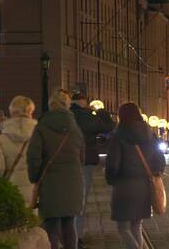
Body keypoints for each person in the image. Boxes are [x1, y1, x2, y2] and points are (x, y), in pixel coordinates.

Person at [27, 89, 85, 249]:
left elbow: (34, 157)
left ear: (50, 105)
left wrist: (35, 178)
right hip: (74, 182)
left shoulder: (42, 127)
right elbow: (81, 156)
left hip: (50, 182)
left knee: (51, 225)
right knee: (69, 223)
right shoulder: (75, 128)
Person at [105, 102, 165, 249]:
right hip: (144, 186)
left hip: (124, 187)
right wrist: (155, 173)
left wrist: (111, 179)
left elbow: (113, 165)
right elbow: (160, 160)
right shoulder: (149, 134)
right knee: (136, 226)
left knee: (123, 228)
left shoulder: (118, 136)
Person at [70, 92, 115, 247]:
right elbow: (108, 127)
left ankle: (66, 235)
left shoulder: (67, 115)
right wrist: (101, 110)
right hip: (85, 161)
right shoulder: (87, 116)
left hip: (65, 162)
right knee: (81, 200)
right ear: (83, 102)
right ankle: (76, 236)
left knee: (67, 199)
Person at [0, 96, 37, 205]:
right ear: (30, 111)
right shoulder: (38, 136)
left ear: (11, 111)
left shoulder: (2, 139)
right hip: (33, 192)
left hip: (10, 190)